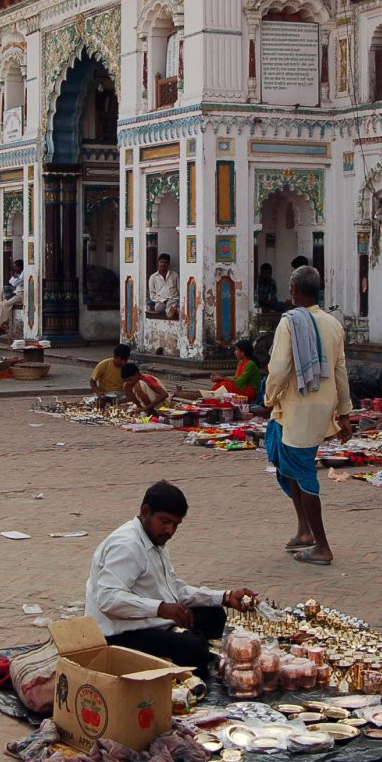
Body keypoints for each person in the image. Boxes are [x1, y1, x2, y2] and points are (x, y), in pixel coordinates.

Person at [85, 481, 257, 670]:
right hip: (118, 635)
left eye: (176, 524)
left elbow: (172, 589)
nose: (170, 531)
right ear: (145, 512)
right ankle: (186, 655)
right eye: (165, 521)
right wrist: (161, 608)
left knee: (213, 615)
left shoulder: (154, 540)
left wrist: (224, 596)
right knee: (193, 648)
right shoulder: (127, 546)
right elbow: (108, 600)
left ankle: (183, 649)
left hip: (149, 620)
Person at [264, 264, 352, 566]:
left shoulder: (290, 323)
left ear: (294, 290)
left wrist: (269, 396)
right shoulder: (333, 324)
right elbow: (341, 371)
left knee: (303, 474)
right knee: (283, 462)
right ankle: (304, 530)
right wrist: (344, 413)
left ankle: (322, 545)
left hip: (298, 407)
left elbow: (278, 369)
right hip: (312, 407)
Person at [0, 260, 24, 335]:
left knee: (6, 304)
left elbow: (14, 283)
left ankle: (1, 326)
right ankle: (1, 324)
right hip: (17, 293)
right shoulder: (18, 274)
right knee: (2, 303)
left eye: (15, 266)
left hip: (22, 295)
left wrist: (13, 276)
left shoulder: (24, 273)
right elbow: (12, 283)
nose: (14, 268)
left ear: (20, 266)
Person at [147, 254, 179, 318]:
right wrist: (164, 300)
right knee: (159, 308)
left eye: (165, 262)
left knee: (173, 303)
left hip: (174, 299)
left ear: (168, 264)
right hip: (161, 302)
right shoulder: (153, 277)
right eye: (161, 262)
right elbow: (152, 295)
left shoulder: (174, 275)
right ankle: (170, 311)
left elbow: (180, 289)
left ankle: (170, 311)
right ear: (158, 263)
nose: (163, 264)